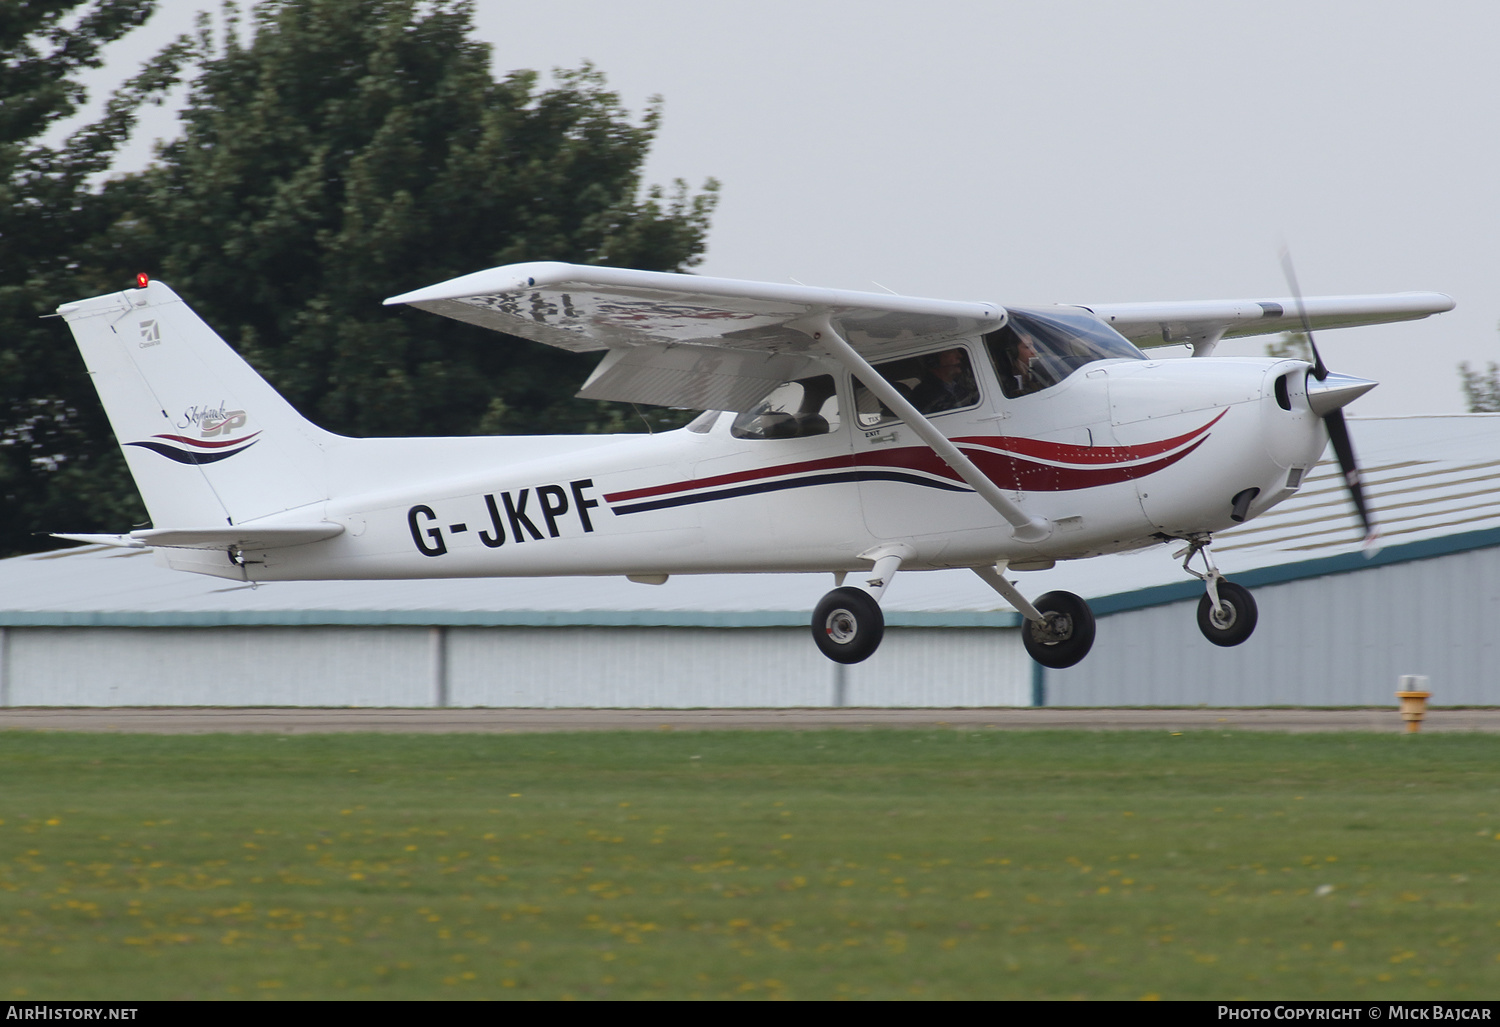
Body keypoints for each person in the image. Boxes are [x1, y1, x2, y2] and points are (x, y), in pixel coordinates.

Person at [909, 348, 979, 413]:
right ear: (934, 360)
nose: (959, 355)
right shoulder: (922, 394)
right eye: (951, 352)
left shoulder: (960, 387)